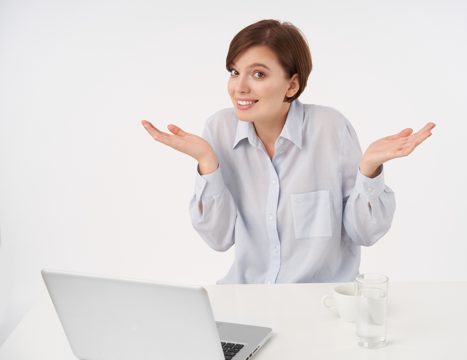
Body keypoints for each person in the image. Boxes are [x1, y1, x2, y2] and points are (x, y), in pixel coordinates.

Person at [141, 19, 435, 284]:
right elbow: (218, 239)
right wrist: (207, 163)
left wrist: (369, 169)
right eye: (234, 72)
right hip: (246, 300)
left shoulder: (329, 128)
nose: (239, 87)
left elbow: (365, 233)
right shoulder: (219, 129)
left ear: (291, 85)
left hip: (321, 305)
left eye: (258, 74)